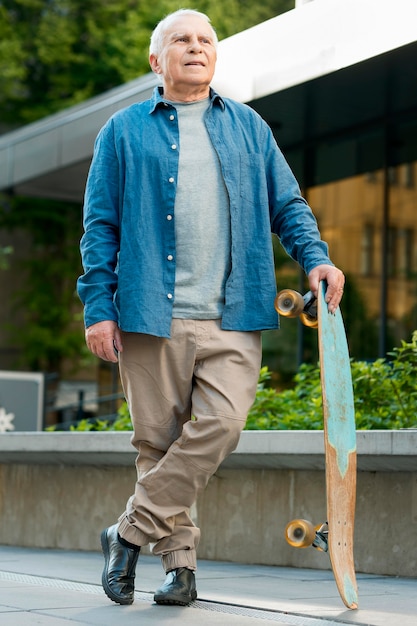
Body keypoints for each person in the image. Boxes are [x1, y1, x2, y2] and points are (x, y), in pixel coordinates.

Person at [77, 8, 345, 608]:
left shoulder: (249, 128)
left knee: (221, 425)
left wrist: (316, 259)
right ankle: (181, 571)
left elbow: (289, 205)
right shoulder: (122, 132)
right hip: (148, 311)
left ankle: (126, 534)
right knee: (157, 442)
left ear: (215, 57)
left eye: (205, 40)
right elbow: (100, 227)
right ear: (157, 59)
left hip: (233, 312)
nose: (195, 48)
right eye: (181, 40)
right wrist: (98, 307)